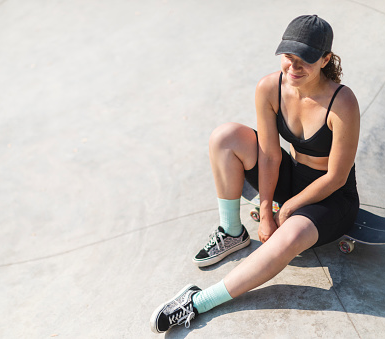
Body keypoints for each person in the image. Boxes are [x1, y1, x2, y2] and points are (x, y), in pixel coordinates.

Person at [150, 14, 360, 334]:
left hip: (330, 198)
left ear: (325, 59)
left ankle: (197, 302)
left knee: (288, 236)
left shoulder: (342, 102)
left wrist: (287, 209)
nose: (293, 67)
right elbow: (269, 154)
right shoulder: (270, 87)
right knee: (226, 136)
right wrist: (265, 211)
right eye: (288, 58)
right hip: (291, 177)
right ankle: (233, 232)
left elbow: (337, 177)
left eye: (304, 60)